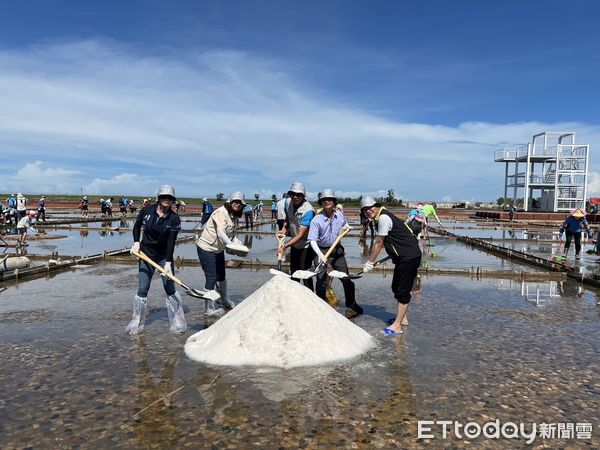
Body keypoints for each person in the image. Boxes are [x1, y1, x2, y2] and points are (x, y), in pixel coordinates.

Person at [126, 185, 186, 335]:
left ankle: (177, 320)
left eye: (170, 198)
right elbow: (137, 226)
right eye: (164, 197)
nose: (167, 200)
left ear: (173, 201)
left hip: (163, 257)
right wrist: (136, 243)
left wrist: (167, 264)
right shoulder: (147, 211)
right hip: (146, 255)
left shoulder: (174, 218)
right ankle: (137, 320)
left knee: (169, 288)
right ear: (159, 198)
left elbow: (171, 242)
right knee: (143, 288)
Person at [361, 196, 422, 335]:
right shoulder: (381, 217)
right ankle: (403, 319)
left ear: (376, 206)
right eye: (365, 210)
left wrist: (370, 262)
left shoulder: (383, 218)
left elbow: (379, 242)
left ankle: (397, 326)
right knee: (396, 287)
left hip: (409, 257)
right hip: (403, 257)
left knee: (403, 291)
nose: (368, 211)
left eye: (370, 207)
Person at [308, 189, 363, 316]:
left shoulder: (340, 215)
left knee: (346, 279)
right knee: (321, 280)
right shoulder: (317, 220)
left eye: (329, 199)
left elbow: (345, 225)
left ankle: (352, 305)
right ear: (321, 203)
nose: (326, 201)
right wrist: (321, 255)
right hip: (321, 250)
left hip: (337, 250)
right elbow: (312, 241)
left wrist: (347, 227)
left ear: (334, 202)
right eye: (323, 200)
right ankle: (321, 305)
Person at [196, 191, 245, 316]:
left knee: (221, 276)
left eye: (240, 203)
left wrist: (238, 245)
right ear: (230, 202)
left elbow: (231, 235)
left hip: (218, 249)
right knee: (211, 277)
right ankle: (208, 308)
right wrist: (230, 244)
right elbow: (221, 232)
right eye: (235, 202)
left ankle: (224, 300)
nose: (237, 204)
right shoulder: (220, 212)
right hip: (207, 248)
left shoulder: (233, 216)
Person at [278, 182, 316, 290]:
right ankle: (294, 296)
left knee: (304, 272)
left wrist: (284, 246)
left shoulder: (308, 211)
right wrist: (283, 230)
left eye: (298, 195)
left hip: (306, 245)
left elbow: (300, 234)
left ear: (303, 196)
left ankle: (310, 296)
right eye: (292, 194)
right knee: (294, 272)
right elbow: (288, 220)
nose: (295, 197)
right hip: (295, 244)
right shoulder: (287, 203)